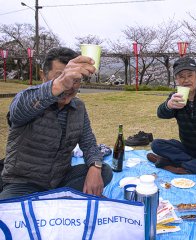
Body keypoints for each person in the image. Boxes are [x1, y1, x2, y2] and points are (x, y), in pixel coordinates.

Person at [0, 47, 113, 200]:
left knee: (104, 171)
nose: (69, 86)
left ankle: (54, 201)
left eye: (75, 80)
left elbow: (89, 143)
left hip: (60, 180)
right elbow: (18, 111)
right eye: (61, 77)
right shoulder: (30, 98)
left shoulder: (78, 107)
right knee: (8, 214)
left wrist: (95, 166)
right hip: (23, 183)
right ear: (43, 76)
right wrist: (59, 85)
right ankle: (61, 201)